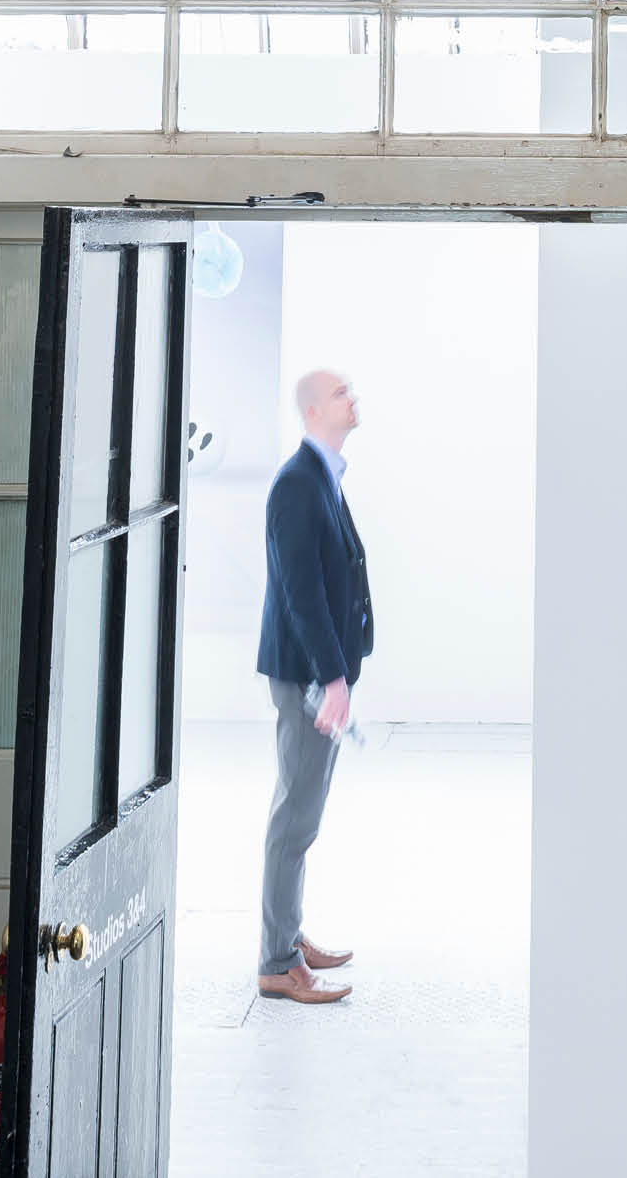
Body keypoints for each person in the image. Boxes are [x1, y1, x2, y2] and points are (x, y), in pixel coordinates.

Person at [255, 367, 372, 1004]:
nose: (352, 398)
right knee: (294, 818)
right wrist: (331, 677)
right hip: (306, 675)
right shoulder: (298, 484)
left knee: (303, 814)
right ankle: (277, 962)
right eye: (339, 393)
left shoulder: (321, 476)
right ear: (309, 412)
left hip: (318, 675)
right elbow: (302, 595)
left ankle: (288, 936)